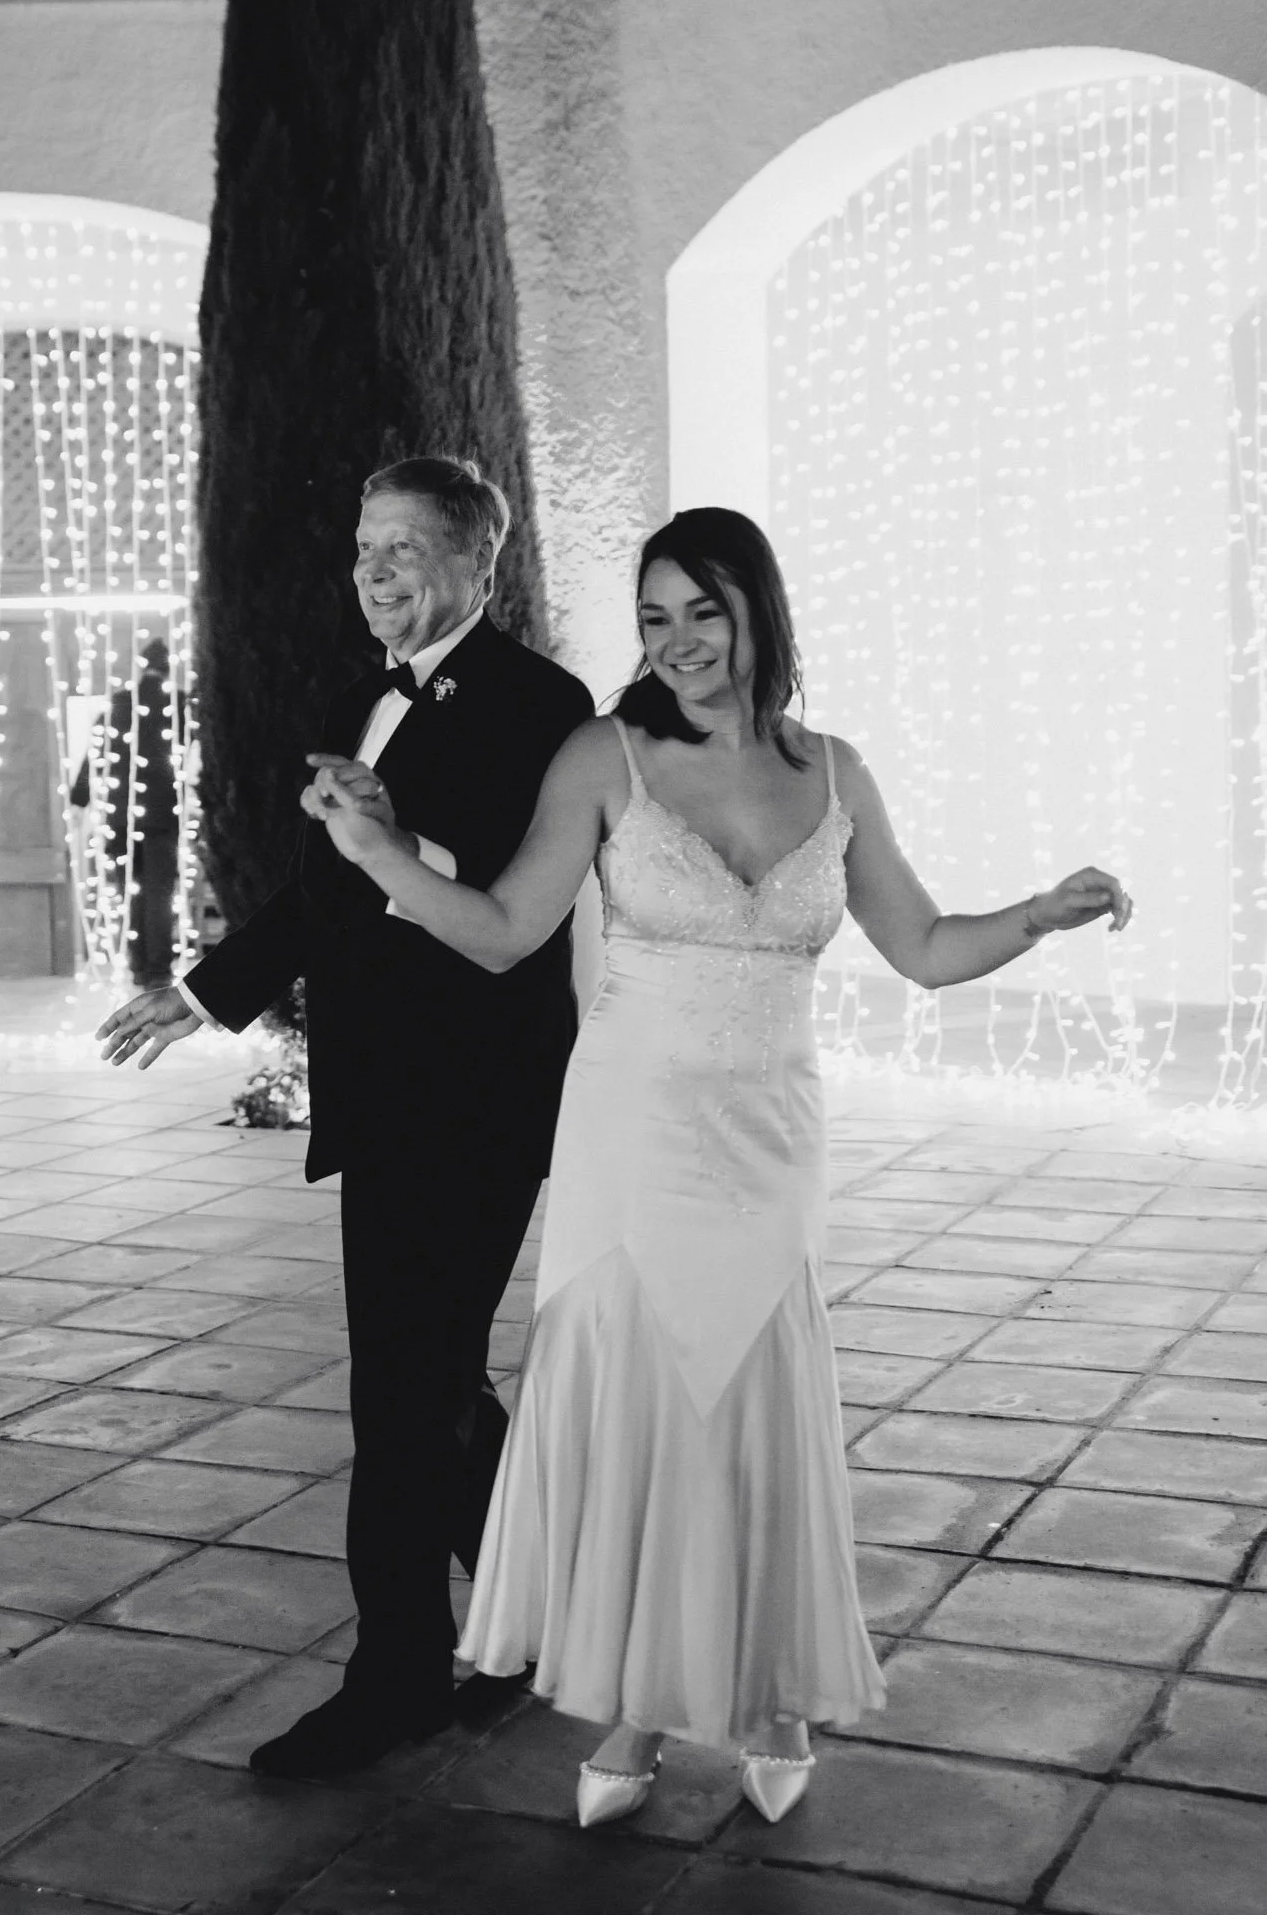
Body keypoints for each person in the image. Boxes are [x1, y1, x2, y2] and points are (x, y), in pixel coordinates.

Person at [305, 506, 1134, 1828]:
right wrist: (378, 854)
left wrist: (1036, 914)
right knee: (643, 1425)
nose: (677, 641)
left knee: (750, 1425)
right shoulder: (603, 755)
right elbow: (511, 930)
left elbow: (920, 948)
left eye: (703, 611)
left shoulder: (836, 773)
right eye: (654, 616)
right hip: (632, 1138)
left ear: (758, 614)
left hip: (771, 1142)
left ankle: (772, 1696)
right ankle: (631, 1714)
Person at [94, 457, 595, 1776]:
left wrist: (393, 841)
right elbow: (320, 896)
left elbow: (497, 894)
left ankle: (397, 1679)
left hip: (478, 1094)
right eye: (366, 546)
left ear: (481, 563)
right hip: (381, 1090)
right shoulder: (355, 696)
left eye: (407, 548)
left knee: (400, 1388)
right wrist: (205, 994)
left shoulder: (541, 704)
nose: (376, 572)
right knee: (432, 1375)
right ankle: (538, 1605)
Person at [71, 636, 183, 989]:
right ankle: (159, 968)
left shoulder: (118, 704)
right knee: (160, 894)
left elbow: (95, 755)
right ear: (168, 668)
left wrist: (80, 797)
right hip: (163, 813)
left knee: (130, 891)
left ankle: (137, 964)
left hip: (121, 815)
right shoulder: (178, 704)